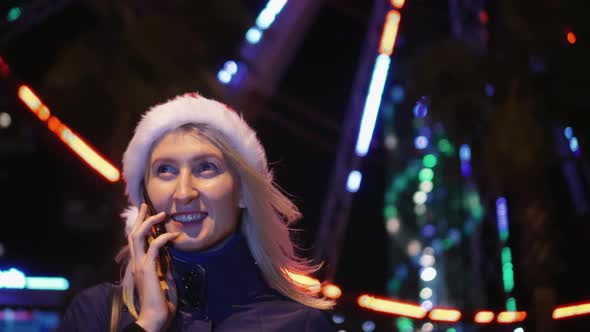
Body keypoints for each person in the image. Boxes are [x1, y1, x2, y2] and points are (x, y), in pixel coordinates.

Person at [58, 92, 335, 331]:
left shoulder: (299, 325)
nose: (184, 193)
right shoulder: (96, 313)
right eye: (165, 170)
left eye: (206, 168)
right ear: (145, 196)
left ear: (241, 191)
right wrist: (147, 324)